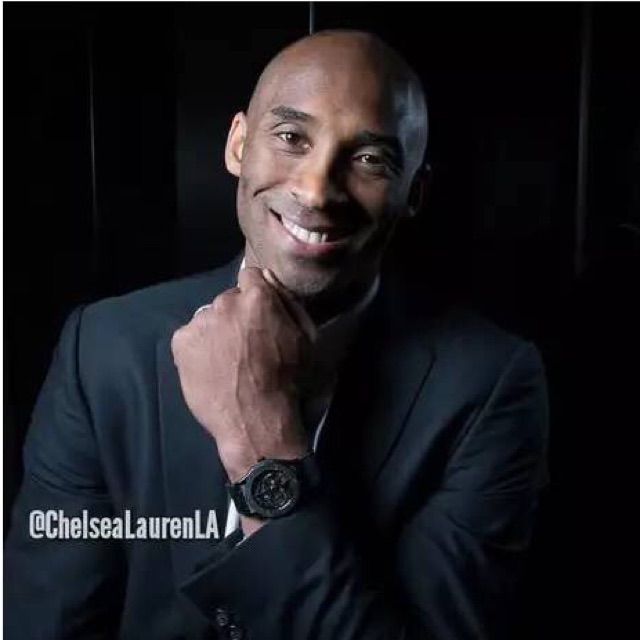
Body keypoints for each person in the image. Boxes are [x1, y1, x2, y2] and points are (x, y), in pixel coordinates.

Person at [5, 30, 549, 640]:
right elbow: (44, 622)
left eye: (371, 160)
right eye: (291, 137)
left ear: (413, 193)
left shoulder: (489, 385)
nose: (316, 190)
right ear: (239, 144)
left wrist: (262, 449)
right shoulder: (102, 349)